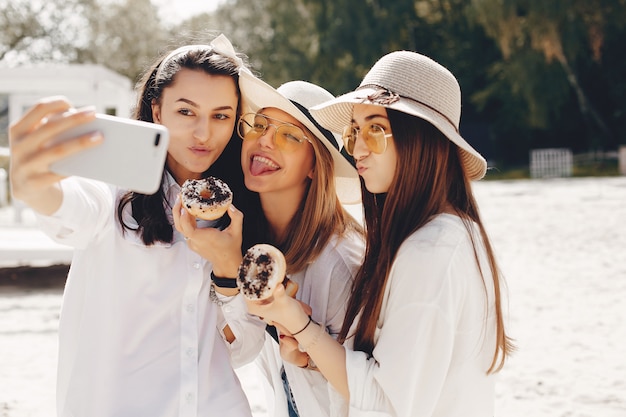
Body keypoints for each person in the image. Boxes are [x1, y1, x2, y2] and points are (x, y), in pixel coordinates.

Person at [244, 50, 515, 416]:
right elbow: (388, 378)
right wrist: (311, 354)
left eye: (375, 130)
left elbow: (386, 404)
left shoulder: (430, 251)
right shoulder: (438, 237)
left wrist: (299, 322)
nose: (356, 147)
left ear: (420, 138)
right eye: (354, 131)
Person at [8, 34, 262, 416]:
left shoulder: (241, 209)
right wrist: (34, 187)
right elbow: (72, 209)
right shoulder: (113, 191)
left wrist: (228, 269)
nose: (204, 134)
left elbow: (242, 349)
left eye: (220, 115)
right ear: (157, 111)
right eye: (187, 112)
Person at [172, 72, 364, 417]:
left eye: (290, 136)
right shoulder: (243, 243)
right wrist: (228, 272)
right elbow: (230, 351)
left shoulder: (341, 263)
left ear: (314, 166)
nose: (265, 141)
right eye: (260, 125)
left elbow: (370, 390)